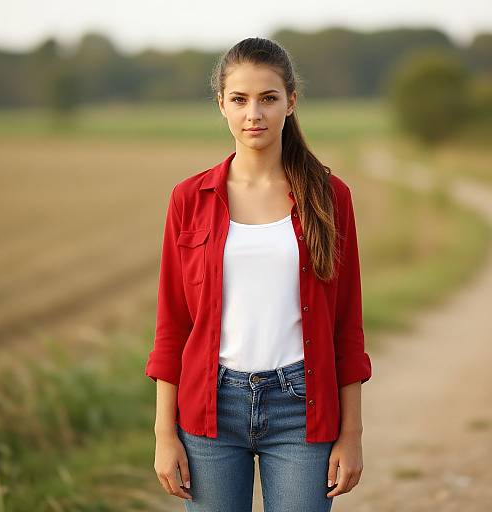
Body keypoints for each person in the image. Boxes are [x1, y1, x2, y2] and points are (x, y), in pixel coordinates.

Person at [145, 37, 372, 512]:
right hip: (209, 409)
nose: (254, 114)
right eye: (240, 99)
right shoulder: (189, 198)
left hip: (301, 408)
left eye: (268, 98)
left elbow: (347, 326)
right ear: (221, 105)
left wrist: (351, 434)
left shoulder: (329, 198)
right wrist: (165, 434)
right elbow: (172, 326)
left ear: (291, 101)